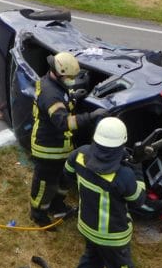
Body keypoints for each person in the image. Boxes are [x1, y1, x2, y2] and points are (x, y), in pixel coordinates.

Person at [64, 117, 147, 268]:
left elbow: (67, 173)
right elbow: (138, 199)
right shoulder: (123, 176)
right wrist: (137, 168)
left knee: (93, 256)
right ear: (121, 144)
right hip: (113, 236)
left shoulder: (80, 154)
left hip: (87, 226)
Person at [29, 51, 108, 226]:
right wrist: (91, 117)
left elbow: (62, 106)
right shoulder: (51, 93)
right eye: (70, 77)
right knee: (45, 183)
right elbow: (63, 122)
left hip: (60, 145)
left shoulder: (55, 84)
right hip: (48, 148)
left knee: (63, 179)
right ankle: (38, 213)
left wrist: (73, 98)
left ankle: (57, 206)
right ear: (59, 73)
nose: (72, 79)